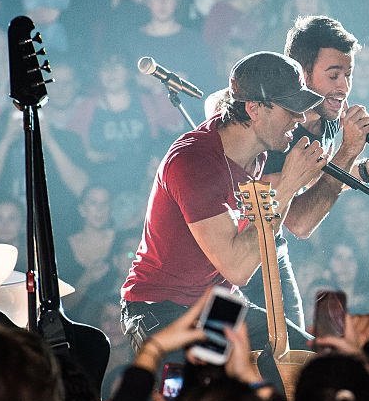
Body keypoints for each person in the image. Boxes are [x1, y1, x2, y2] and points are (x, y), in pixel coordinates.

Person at [120, 51, 329, 350]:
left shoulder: (255, 151)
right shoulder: (193, 162)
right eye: (290, 108)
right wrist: (289, 185)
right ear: (254, 109)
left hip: (217, 305)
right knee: (205, 395)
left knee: (309, 364)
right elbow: (238, 269)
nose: (300, 118)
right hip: (162, 309)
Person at [246, 15, 369, 346]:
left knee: (292, 358)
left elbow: (319, 180)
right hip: (238, 253)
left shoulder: (329, 120)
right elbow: (300, 221)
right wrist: (348, 151)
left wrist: (365, 169)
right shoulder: (277, 130)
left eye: (348, 75)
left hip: (272, 251)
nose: (344, 86)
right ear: (301, 75)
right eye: (333, 75)